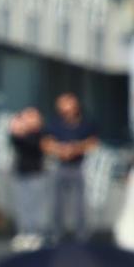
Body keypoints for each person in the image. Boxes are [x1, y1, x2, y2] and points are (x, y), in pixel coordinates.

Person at [41, 93, 97, 243]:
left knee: (80, 203)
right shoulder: (54, 124)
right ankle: (56, 233)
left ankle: (81, 234)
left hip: (80, 166)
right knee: (56, 202)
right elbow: (46, 143)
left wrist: (76, 148)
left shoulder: (85, 123)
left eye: (69, 109)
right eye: (63, 110)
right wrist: (60, 149)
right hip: (60, 165)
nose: (66, 112)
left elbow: (93, 142)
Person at [6, 107, 48, 250]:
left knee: (35, 205)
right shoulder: (20, 136)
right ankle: (24, 232)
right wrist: (15, 129)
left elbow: (33, 145)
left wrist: (21, 131)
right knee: (22, 205)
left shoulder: (40, 134)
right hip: (21, 172)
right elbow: (15, 142)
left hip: (36, 173)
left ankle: (35, 233)